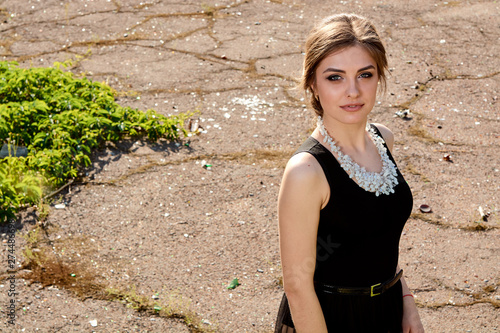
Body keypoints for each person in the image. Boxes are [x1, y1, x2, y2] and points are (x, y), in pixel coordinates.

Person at [275, 13, 425, 333]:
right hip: (329, 318)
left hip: (386, 310)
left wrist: (406, 299)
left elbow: (379, 239)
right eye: (335, 77)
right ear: (313, 84)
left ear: (379, 77)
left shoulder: (384, 139)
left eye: (365, 74)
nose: (353, 91)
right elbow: (297, 286)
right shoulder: (306, 172)